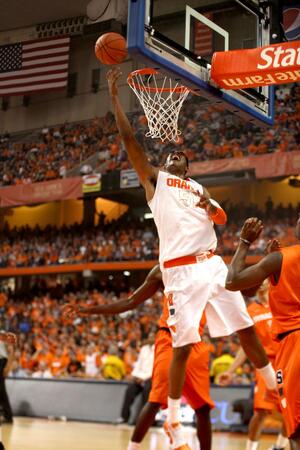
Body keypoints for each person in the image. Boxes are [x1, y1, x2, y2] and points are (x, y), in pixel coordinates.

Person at [106, 67, 276, 450]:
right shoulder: (157, 184)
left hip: (212, 262)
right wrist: (116, 100)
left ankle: (273, 385)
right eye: (171, 155)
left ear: (189, 167)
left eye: (181, 154)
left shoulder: (199, 187)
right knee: (183, 345)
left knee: (245, 327)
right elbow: (130, 141)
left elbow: (221, 217)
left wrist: (208, 205)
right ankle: (172, 423)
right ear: (165, 167)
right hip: (181, 272)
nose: (176, 155)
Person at [62, 265, 214, 450]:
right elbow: (130, 301)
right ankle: (133, 447)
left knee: (203, 408)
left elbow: (240, 287)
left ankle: (179, 430)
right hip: (170, 337)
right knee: (155, 400)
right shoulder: (163, 269)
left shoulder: (209, 265)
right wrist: (86, 310)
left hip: (196, 341)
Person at [225, 214, 300, 450]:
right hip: (274, 358)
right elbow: (249, 291)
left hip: (293, 342)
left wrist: (245, 242)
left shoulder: (283, 258)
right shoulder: (275, 262)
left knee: (296, 424)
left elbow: (233, 281)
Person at [220, 280, 288, 450]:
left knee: (292, 412)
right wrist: (231, 370)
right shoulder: (250, 311)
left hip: (287, 362)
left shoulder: (281, 303)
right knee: (261, 411)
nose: (263, 281)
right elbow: (247, 347)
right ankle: (250, 448)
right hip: (266, 365)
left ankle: (279, 447)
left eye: (265, 278)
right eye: (259, 279)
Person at [116, 334, 155, 425]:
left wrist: (144, 378)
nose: (150, 338)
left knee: (147, 391)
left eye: (152, 337)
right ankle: (124, 417)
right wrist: (135, 376)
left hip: (150, 378)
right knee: (129, 390)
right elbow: (138, 364)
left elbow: (155, 367)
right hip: (139, 377)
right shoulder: (144, 349)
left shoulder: (159, 348)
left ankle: (142, 420)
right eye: (149, 337)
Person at [0, 332, 17, 424]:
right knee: (2, 392)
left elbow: (11, 350)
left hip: (2, 362)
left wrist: (8, 366)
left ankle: (6, 416)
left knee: (1, 390)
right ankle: (7, 416)